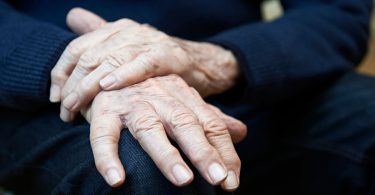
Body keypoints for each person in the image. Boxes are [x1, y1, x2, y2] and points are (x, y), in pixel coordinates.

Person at [0, 0, 374, 194]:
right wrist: (89, 67)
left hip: (234, 76)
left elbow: (336, 11)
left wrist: (212, 61)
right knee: (142, 168)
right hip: (42, 92)